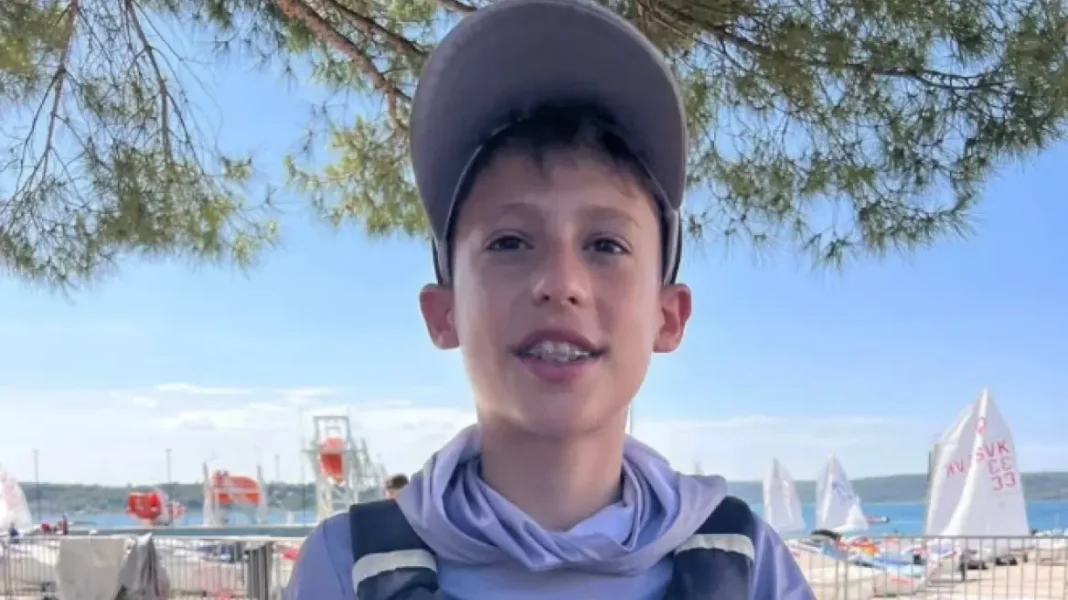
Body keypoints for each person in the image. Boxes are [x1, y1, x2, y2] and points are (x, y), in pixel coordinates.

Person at [286, 0, 815, 598]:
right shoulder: (346, 567)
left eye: (606, 245)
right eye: (509, 242)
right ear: (443, 313)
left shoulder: (747, 566)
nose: (561, 282)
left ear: (667, 317)